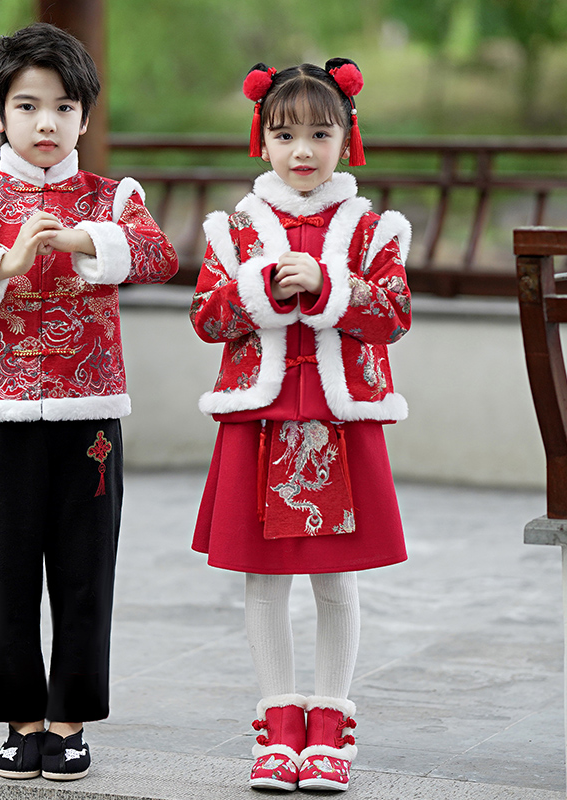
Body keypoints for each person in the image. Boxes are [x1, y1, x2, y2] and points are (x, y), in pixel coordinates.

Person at [0, 23, 177, 783]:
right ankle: (22, 721)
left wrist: (86, 242)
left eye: (63, 107)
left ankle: (70, 721)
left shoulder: (113, 197)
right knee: (5, 572)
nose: (46, 122)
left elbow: (159, 255)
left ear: (86, 116)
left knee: (89, 572)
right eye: (27, 106)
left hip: (90, 413)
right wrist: (5, 259)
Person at [189, 58, 411, 793]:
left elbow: (394, 316)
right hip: (259, 416)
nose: (304, 149)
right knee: (262, 574)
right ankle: (278, 727)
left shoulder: (374, 229)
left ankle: (330, 727)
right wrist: (261, 288)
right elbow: (206, 318)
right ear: (262, 138)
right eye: (286, 134)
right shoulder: (235, 229)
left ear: (348, 136)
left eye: (321, 131)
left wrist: (328, 285)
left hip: (338, 417)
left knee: (334, 577)